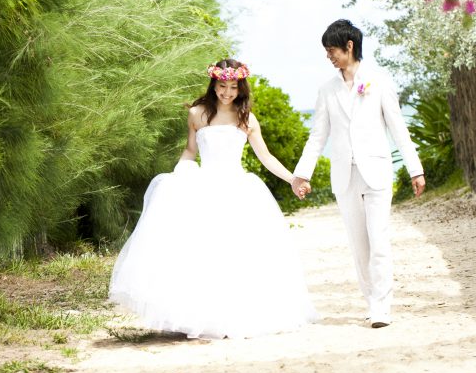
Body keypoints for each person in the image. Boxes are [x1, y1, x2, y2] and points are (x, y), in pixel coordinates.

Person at [110, 59, 317, 339]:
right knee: (201, 252)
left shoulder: (246, 118)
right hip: (203, 186)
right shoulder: (197, 114)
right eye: (222, 86)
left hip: (237, 188)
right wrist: (179, 173)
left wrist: (293, 179)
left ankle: (238, 315)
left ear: (240, 88)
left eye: (233, 87)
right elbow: (190, 151)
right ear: (214, 84)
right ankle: (199, 316)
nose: (227, 93)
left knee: (238, 253)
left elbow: (265, 157)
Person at [291, 19, 425, 329]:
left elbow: (398, 129)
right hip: (344, 176)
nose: (329, 56)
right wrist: (302, 174)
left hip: (376, 171)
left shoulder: (379, 82)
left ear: (349, 47)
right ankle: (370, 300)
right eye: (326, 52)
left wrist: (415, 169)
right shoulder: (327, 90)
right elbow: (317, 136)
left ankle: (382, 305)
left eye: (332, 50)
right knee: (358, 243)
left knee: (379, 239)